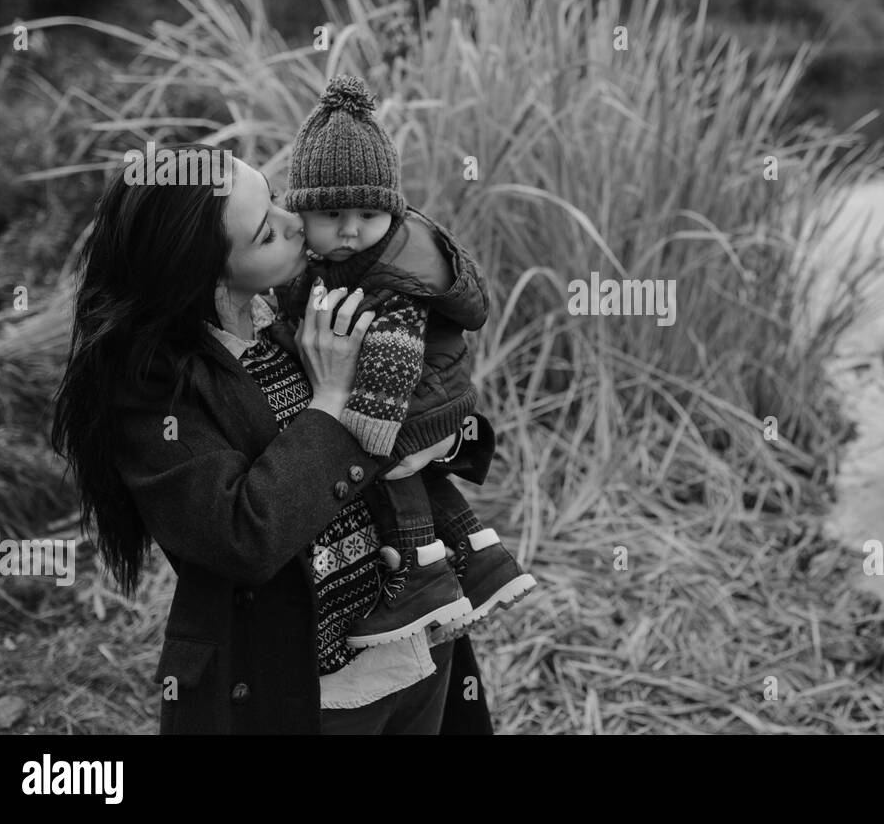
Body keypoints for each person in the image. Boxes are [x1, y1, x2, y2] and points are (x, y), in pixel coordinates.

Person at [50, 145, 493, 734]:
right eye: (265, 233)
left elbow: (427, 394)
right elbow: (243, 534)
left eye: (275, 197)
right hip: (311, 686)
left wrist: (443, 440)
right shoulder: (156, 393)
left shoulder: (301, 304)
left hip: (419, 633)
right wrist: (331, 402)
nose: (295, 222)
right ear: (204, 275)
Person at [279, 75, 535, 648]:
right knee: (413, 473)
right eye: (333, 215)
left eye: (367, 215)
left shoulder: (393, 274)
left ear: (391, 214)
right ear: (302, 214)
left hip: (404, 401)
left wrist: (367, 430)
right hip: (433, 398)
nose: (350, 229)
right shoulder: (354, 259)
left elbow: (396, 345)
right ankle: (481, 555)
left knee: (382, 468)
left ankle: (419, 572)